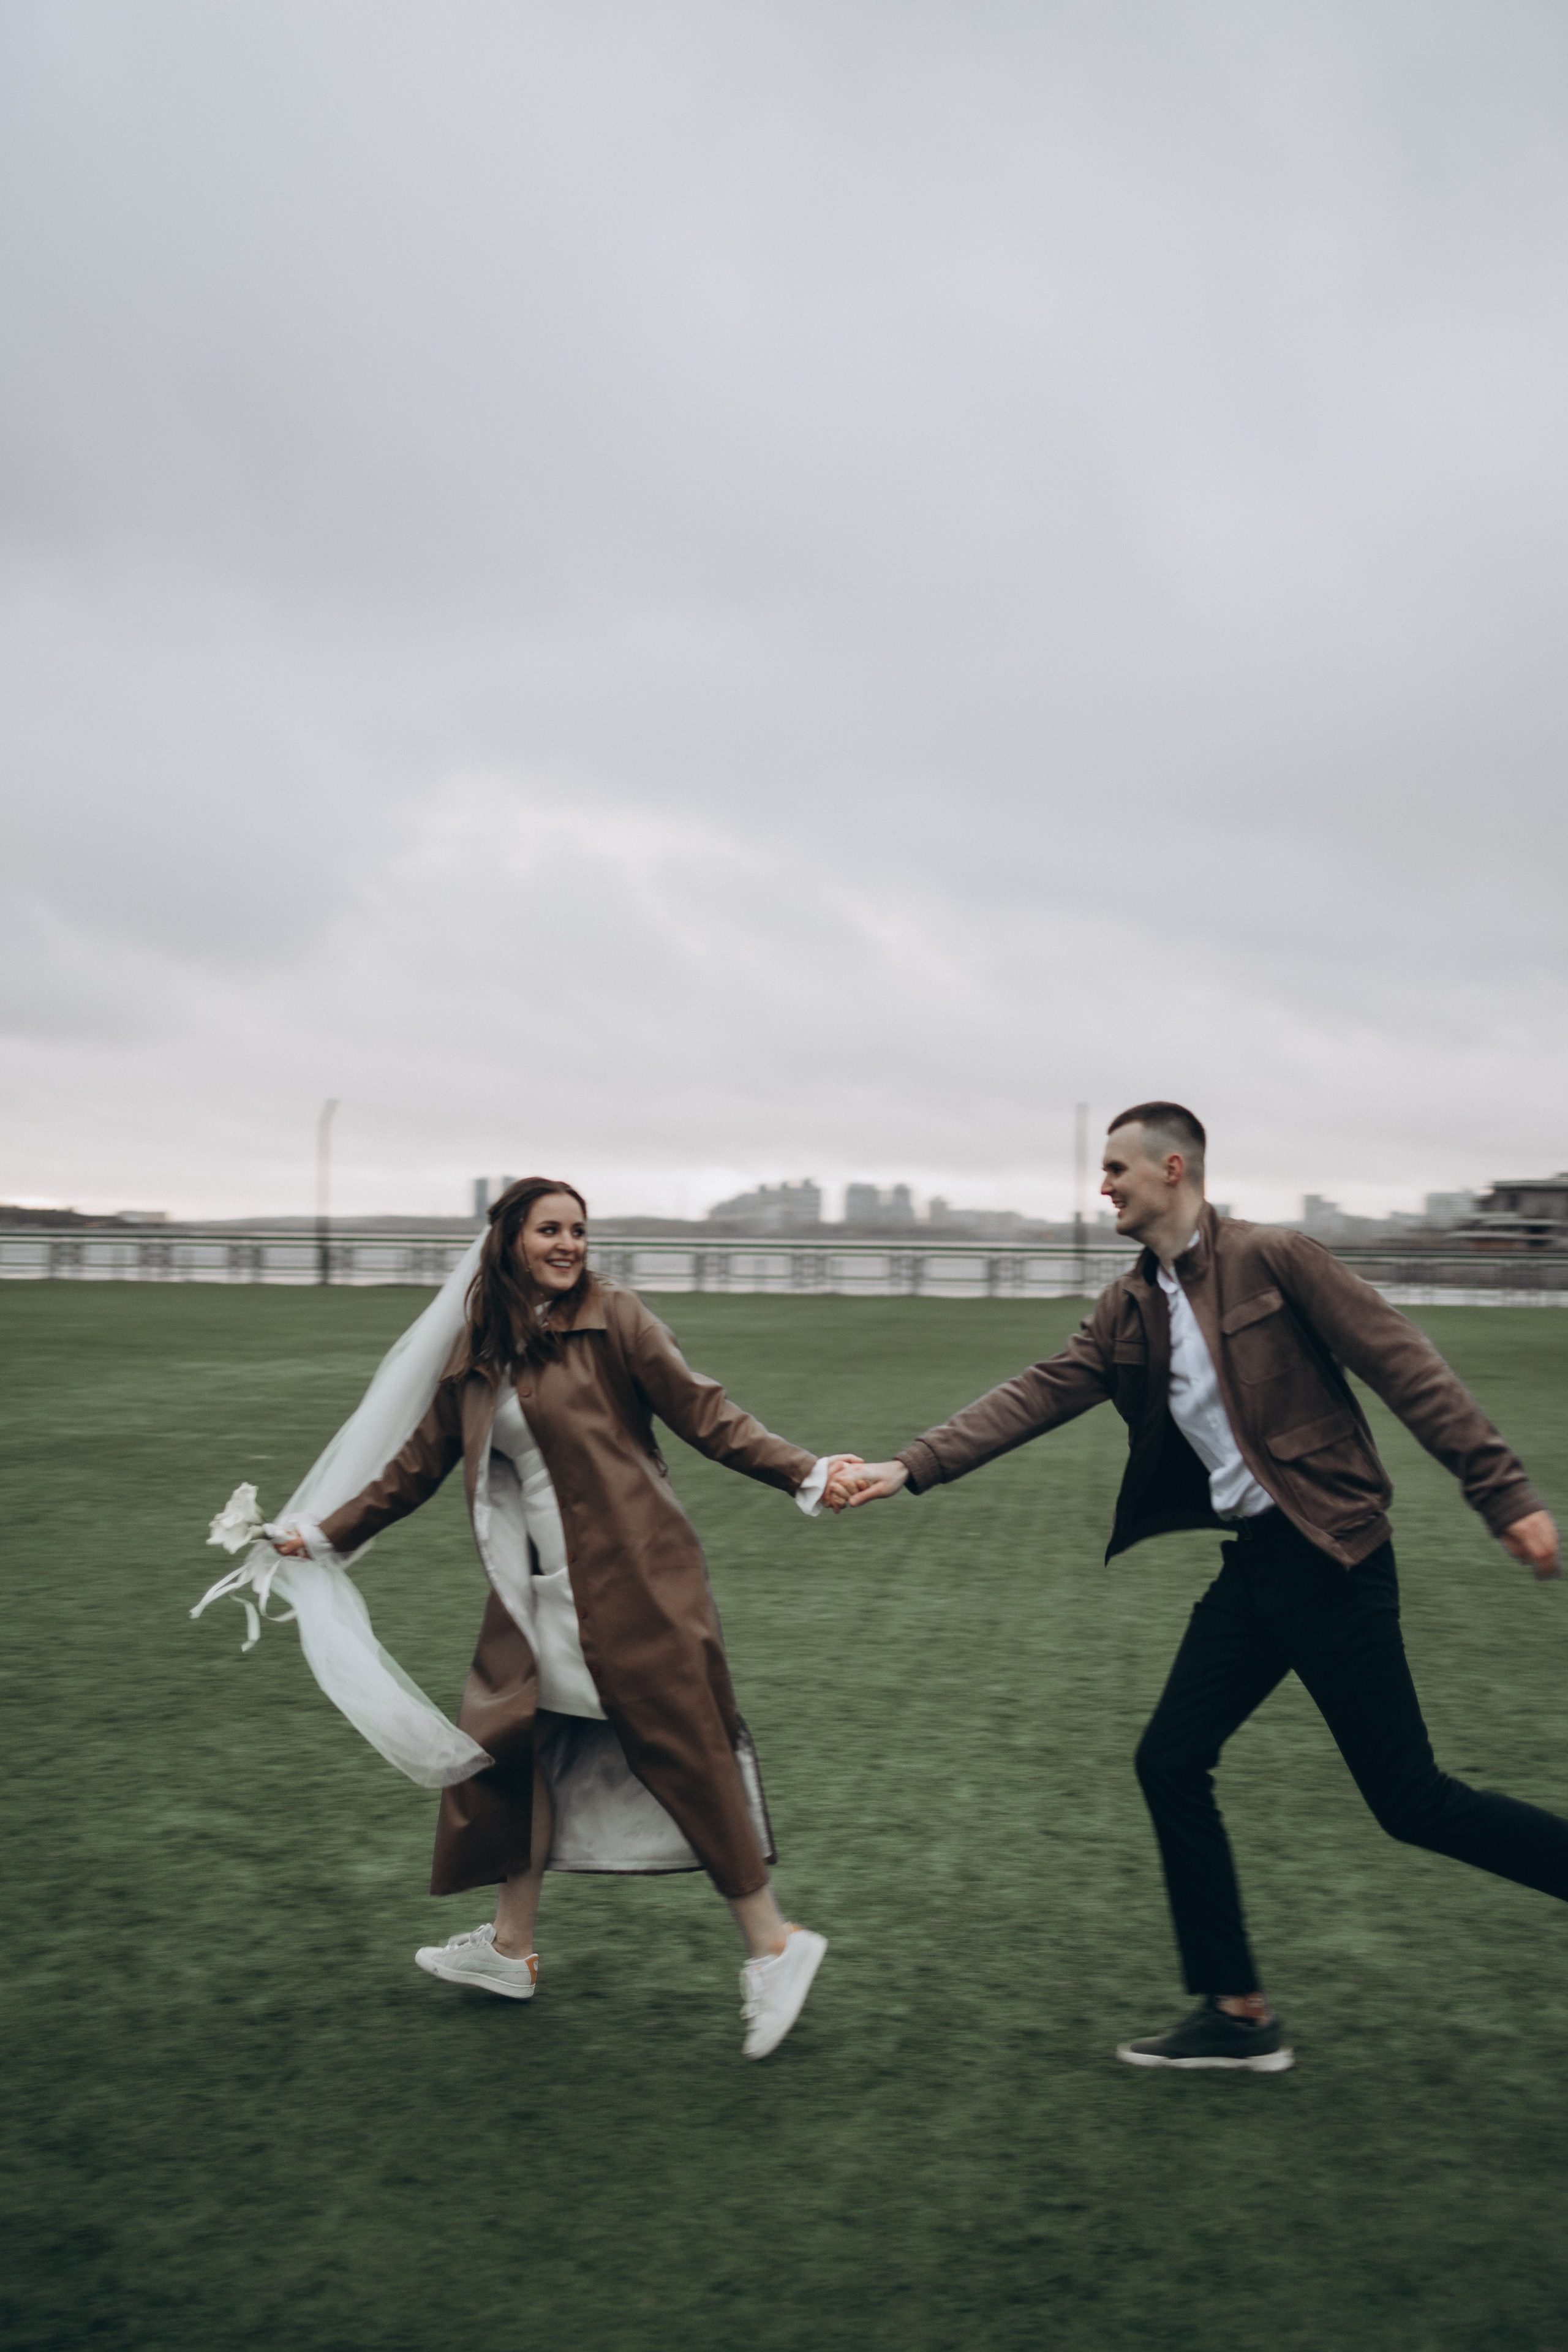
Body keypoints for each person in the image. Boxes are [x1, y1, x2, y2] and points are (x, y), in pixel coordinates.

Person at [839, 1102, 1562, 2072]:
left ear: (1171, 1169)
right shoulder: (1130, 1306)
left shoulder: (1275, 1259)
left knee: (1412, 1802)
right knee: (1170, 1761)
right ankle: (1239, 2012)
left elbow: (1405, 1365)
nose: (1102, 1186)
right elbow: (1041, 1390)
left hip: (1334, 1557)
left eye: (1115, 1169)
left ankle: (1243, 2011)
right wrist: (910, 1465)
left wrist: (1501, 1490)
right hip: (1257, 1571)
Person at [266, 1177, 859, 2059]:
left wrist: (804, 1472)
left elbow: (705, 1412)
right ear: (507, 1239)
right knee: (513, 1755)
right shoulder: (475, 1349)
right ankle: (510, 1948)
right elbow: (415, 1468)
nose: (569, 1244)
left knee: (682, 1751)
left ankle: (775, 1946)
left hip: (638, 1585)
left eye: (579, 1230)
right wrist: (318, 1532)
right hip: (537, 1597)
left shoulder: (614, 1317)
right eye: (551, 1229)